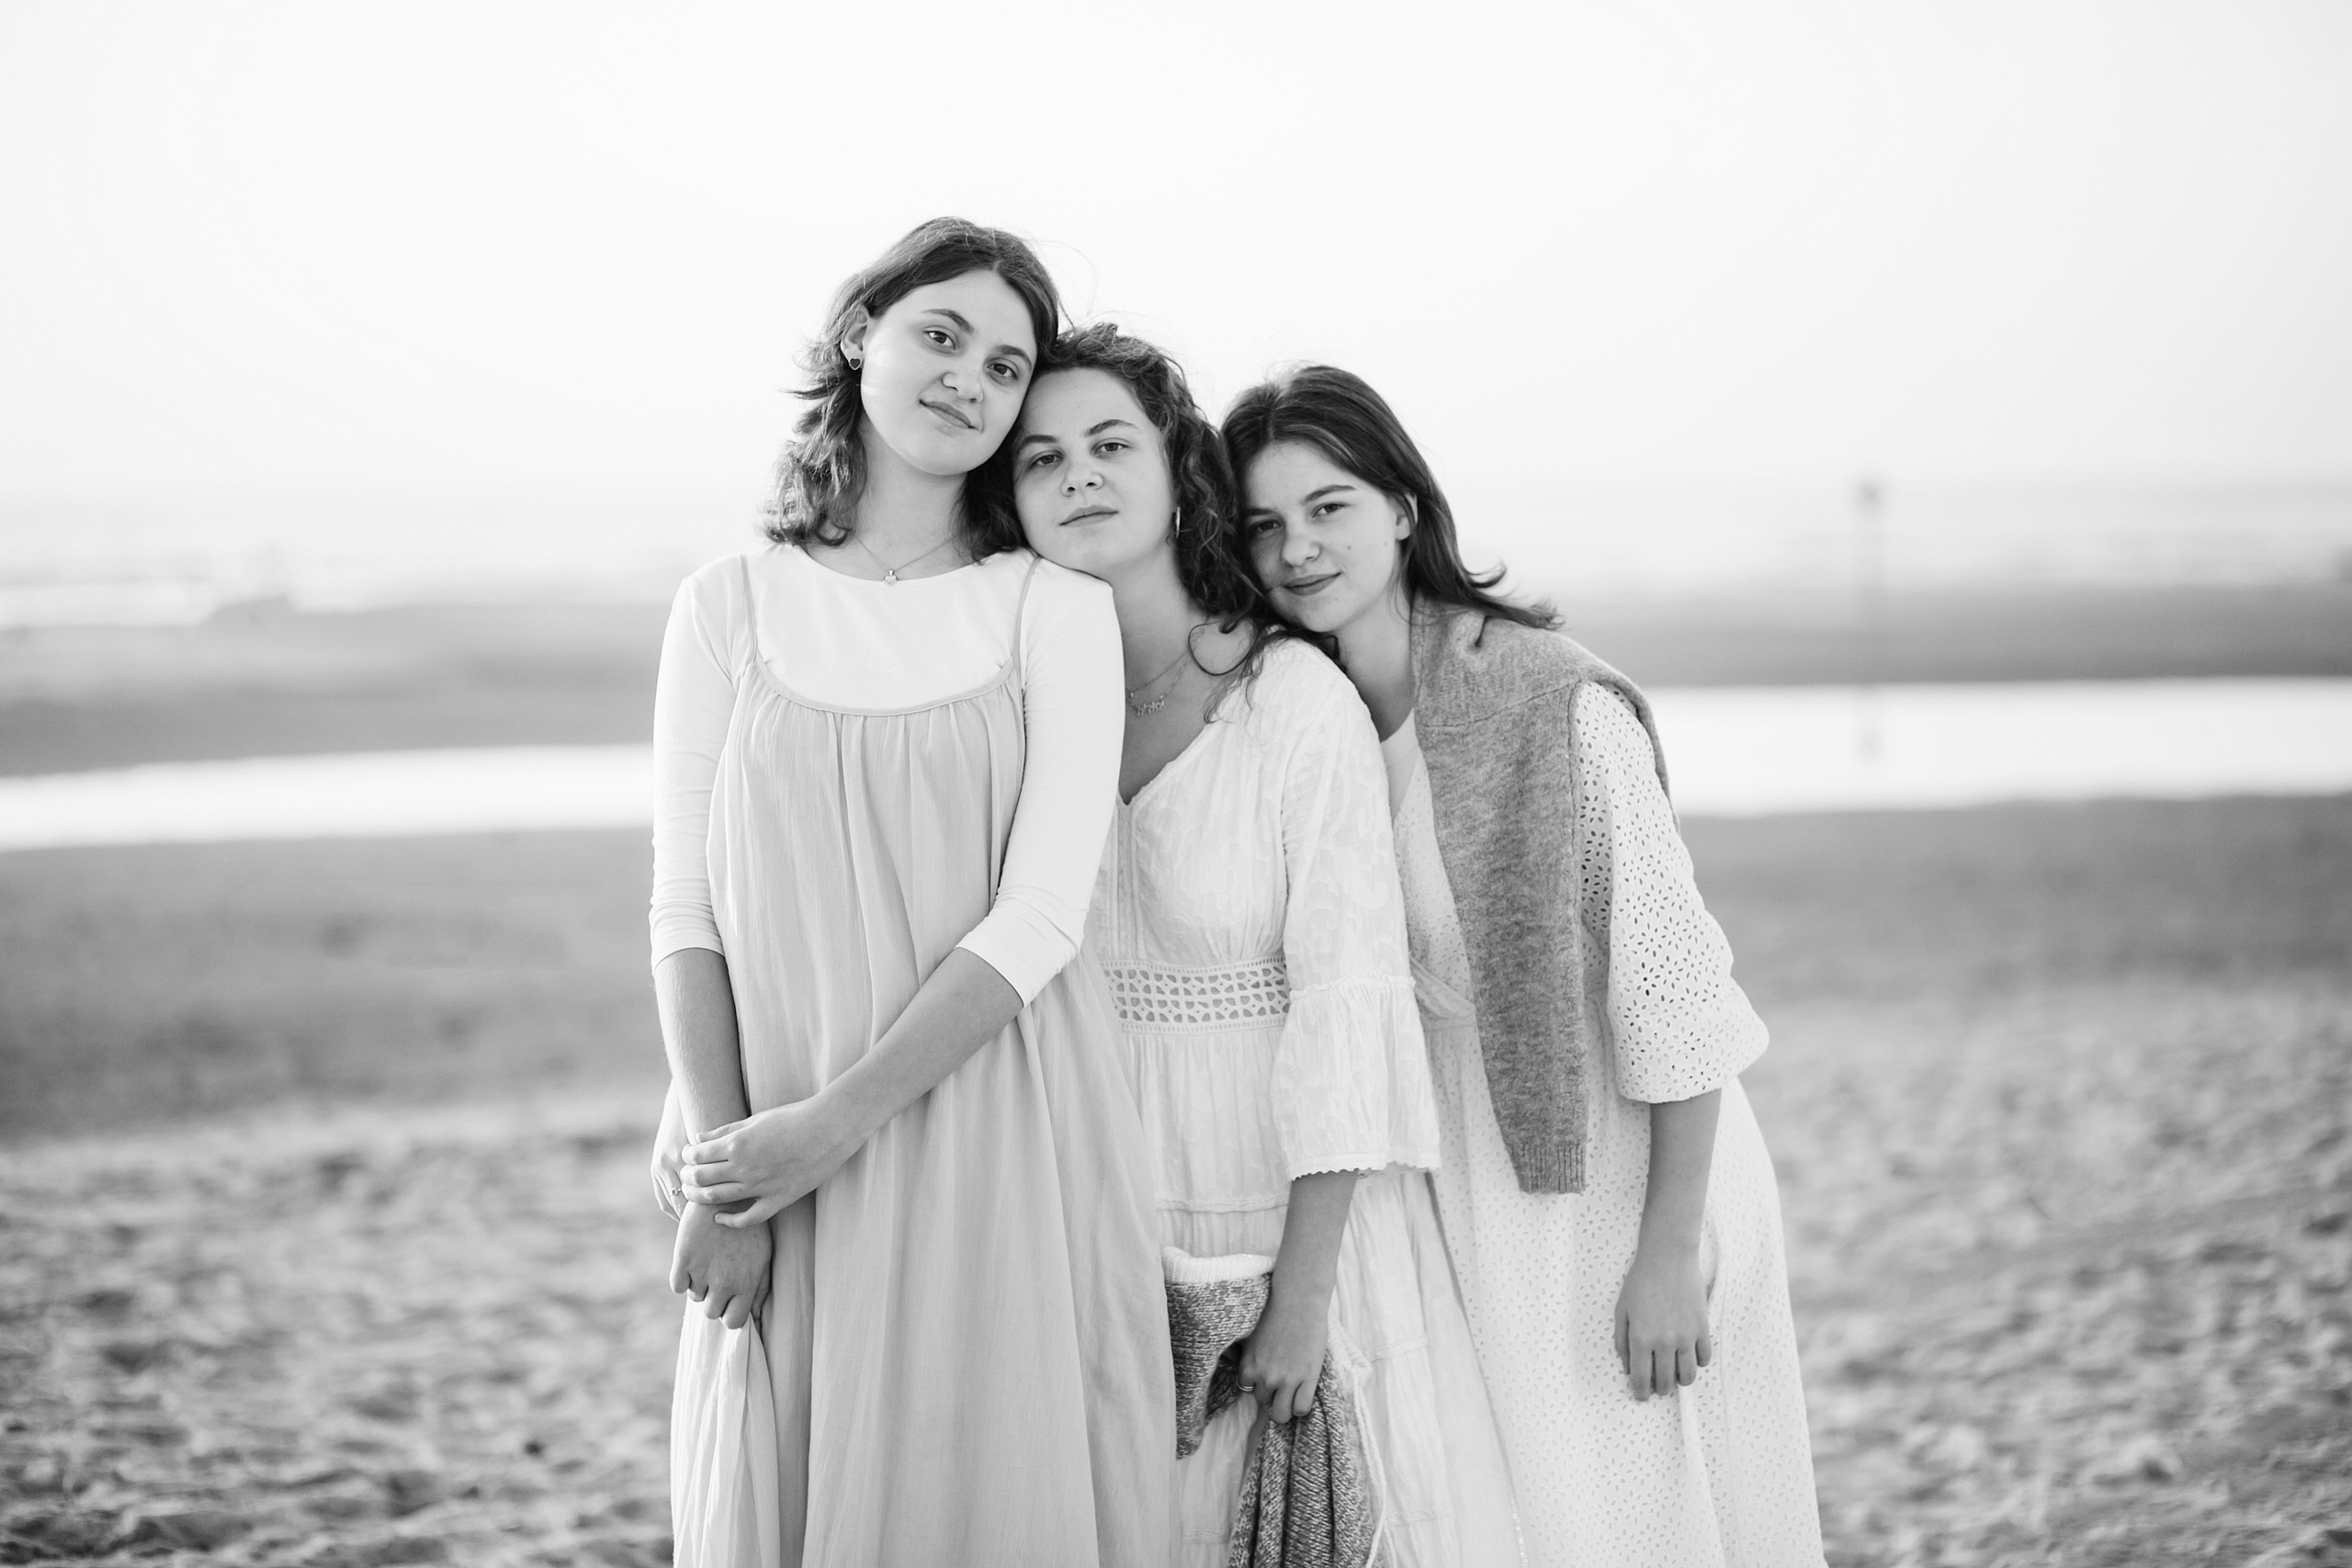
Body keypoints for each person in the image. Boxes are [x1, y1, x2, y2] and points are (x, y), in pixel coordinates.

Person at [1226, 366, 1826, 1568]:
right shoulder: (1308, 724)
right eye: (1263, 525)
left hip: (1616, 1172)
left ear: (1402, 506)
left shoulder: (1547, 703)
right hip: (1458, 1186)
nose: (1296, 549)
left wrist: (1669, 1253)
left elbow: (1679, 998)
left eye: (1328, 506)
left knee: (1649, 1519)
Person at [647, 220, 1172, 1567]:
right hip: (768, 1143)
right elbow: (683, 912)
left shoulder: (1047, 607)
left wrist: (833, 1128)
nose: (969, 380)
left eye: (1005, 367)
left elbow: (1044, 916)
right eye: (941, 336)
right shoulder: (726, 605)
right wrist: (729, 1170)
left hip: (986, 1118)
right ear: (857, 336)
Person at [1011, 324, 1521, 1567]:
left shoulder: (1293, 700)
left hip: (1289, 1203)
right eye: (1040, 458)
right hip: (1097, 1204)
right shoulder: (1024, 694)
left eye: (1110, 444)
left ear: (1178, 470)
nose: (1078, 475)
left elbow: (1351, 1000)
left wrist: (1304, 1297)